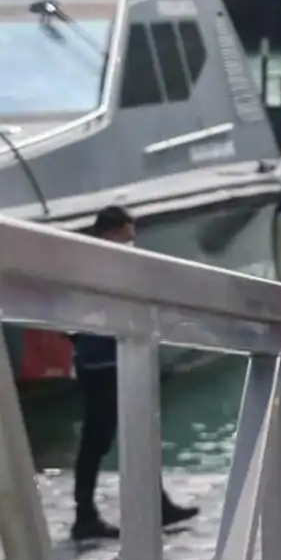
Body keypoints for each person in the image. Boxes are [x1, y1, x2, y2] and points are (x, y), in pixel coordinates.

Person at [70, 206, 200, 541]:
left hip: (110, 358)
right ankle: (85, 515)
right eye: (131, 229)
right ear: (116, 229)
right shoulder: (104, 260)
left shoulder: (85, 258)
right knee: (99, 439)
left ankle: (156, 504)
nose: (135, 236)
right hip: (107, 362)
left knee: (138, 431)